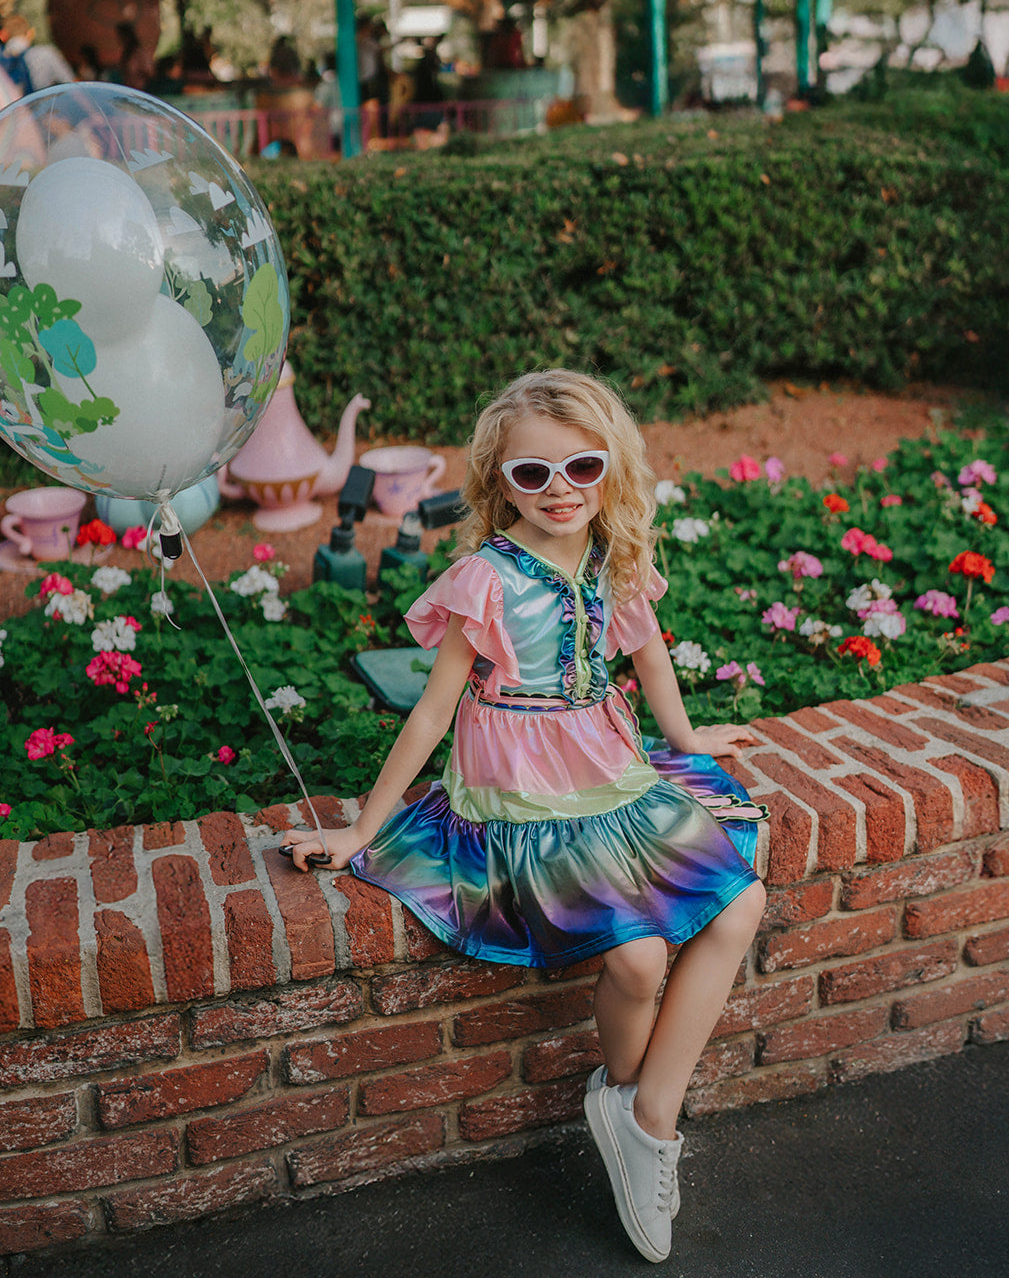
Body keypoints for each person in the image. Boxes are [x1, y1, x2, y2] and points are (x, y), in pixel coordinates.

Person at [281, 368, 768, 1264]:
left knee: (739, 903)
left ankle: (647, 1116)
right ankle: (626, 1100)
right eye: (531, 475)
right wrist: (359, 831)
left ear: (610, 467)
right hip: (521, 800)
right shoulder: (486, 579)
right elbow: (432, 712)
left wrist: (690, 736)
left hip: (612, 776)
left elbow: (650, 660)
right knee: (636, 956)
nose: (560, 492)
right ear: (496, 482)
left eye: (581, 467)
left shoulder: (614, 559)